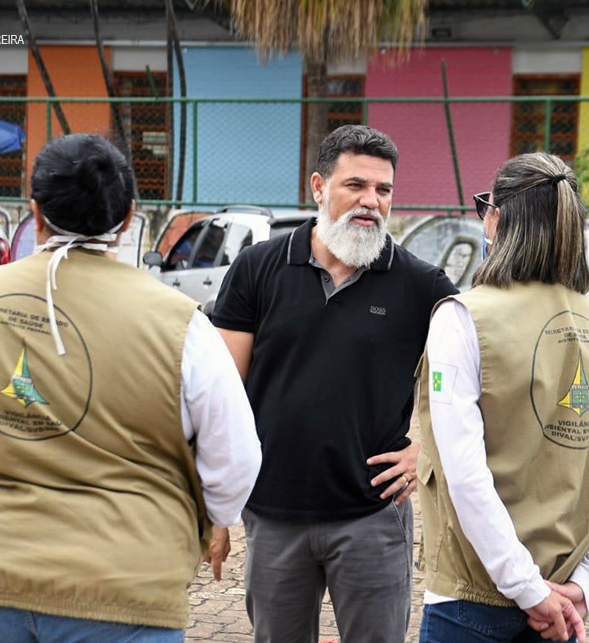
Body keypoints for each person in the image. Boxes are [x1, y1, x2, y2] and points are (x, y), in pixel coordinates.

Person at [0, 133, 262, 643]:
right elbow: (235, 459)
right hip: (126, 583)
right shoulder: (180, 325)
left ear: (34, 214)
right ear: (127, 219)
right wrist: (212, 517)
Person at [211, 124, 458, 643]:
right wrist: (213, 505)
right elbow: (221, 393)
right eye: (356, 185)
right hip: (272, 513)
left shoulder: (422, 285)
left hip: (371, 516)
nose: (371, 201)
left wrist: (427, 454)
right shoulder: (258, 269)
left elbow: (477, 386)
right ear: (319, 187)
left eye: (383, 190)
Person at [415, 152, 589, 642]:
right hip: (564, 607)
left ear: (498, 218)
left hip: (473, 599)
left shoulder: (462, 319)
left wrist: (529, 589)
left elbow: (466, 476)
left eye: (484, 207)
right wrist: (587, 586)